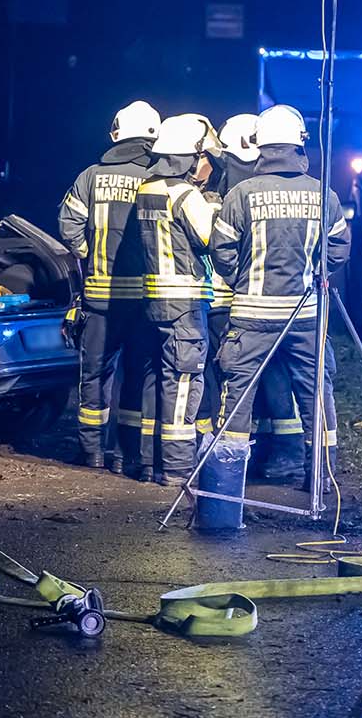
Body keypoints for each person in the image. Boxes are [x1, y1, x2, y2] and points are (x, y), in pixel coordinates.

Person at [203, 104, 352, 493]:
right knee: (316, 395)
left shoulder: (240, 194)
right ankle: (320, 481)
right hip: (305, 314)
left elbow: (221, 252)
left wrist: (242, 280)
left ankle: (226, 487)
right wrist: (316, 274)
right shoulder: (324, 194)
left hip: (251, 316)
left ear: (261, 146)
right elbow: (338, 248)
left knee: (237, 396)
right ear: (299, 144)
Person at [56, 100, 159, 471]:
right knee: (140, 375)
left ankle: (93, 452)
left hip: (100, 297)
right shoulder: (157, 177)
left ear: (116, 134)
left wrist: (88, 251)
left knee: (95, 374)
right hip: (147, 299)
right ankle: (130, 456)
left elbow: (68, 224)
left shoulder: (90, 176)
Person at [132, 114, 222, 485]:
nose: (207, 165)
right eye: (204, 157)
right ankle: (178, 467)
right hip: (185, 302)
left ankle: (150, 461)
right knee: (184, 383)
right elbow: (209, 238)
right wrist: (215, 209)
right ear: (189, 156)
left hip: (154, 301)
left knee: (156, 380)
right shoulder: (185, 195)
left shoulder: (146, 189)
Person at [198, 114, 259, 449]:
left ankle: (215, 443)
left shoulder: (222, 193)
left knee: (216, 372)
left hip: (218, 299)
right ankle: (256, 445)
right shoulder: (260, 186)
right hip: (252, 301)